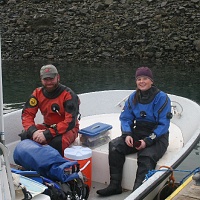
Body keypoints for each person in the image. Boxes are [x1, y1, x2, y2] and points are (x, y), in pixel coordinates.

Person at [96, 67, 172, 196]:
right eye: (139, 79)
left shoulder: (162, 98)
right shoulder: (133, 97)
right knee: (115, 146)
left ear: (151, 81)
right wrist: (127, 134)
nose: (142, 81)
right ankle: (115, 185)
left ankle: (137, 193)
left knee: (146, 155)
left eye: (145, 79)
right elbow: (126, 118)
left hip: (158, 137)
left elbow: (163, 125)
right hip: (139, 131)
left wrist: (147, 141)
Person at [19, 64, 80, 156]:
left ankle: (58, 166)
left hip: (68, 129)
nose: (49, 82)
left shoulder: (68, 95)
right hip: (47, 126)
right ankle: (30, 164)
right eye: (45, 79)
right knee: (25, 135)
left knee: (57, 142)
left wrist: (48, 134)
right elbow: (27, 115)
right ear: (41, 79)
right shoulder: (37, 94)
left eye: (51, 79)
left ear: (58, 77)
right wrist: (33, 131)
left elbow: (70, 122)